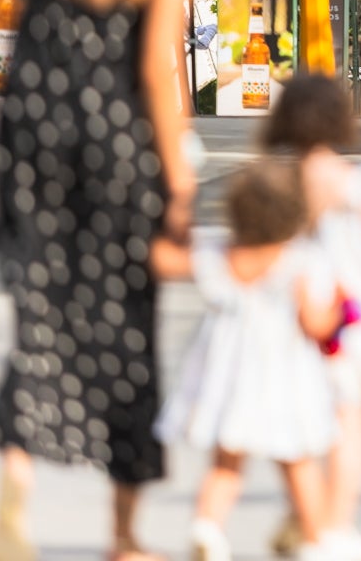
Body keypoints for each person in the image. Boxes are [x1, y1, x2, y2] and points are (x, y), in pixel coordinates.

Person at [0, 0, 219, 561]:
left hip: (32, 139)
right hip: (113, 148)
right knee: (123, 339)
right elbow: (153, 73)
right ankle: (123, 534)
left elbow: (32, 24)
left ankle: (16, 492)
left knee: (39, 327)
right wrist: (177, 184)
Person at [262, 75, 361, 560]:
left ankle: (308, 522)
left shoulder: (278, 184)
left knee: (296, 427)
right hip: (349, 321)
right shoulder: (359, 185)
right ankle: (336, 526)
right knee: (348, 424)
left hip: (292, 317)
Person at [151, 160, 344, 561]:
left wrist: (177, 214)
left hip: (229, 374)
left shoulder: (221, 255)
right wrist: (339, 309)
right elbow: (314, 323)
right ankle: (317, 539)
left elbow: (165, 261)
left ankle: (208, 527)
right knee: (298, 461)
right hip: (282, 374)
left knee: (226, 463)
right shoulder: (300, 260)